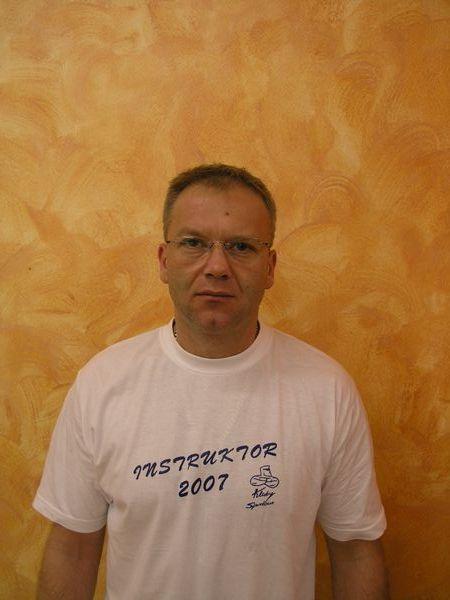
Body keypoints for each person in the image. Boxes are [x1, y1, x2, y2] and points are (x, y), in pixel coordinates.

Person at [33, 163, 389, 599]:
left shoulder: (327, 390)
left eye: (241, 246)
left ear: (270, 267)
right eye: (193, 243)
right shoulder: (101, 384)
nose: (217, 266)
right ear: (164, 261)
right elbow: (72, 549)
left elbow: (355, 551)